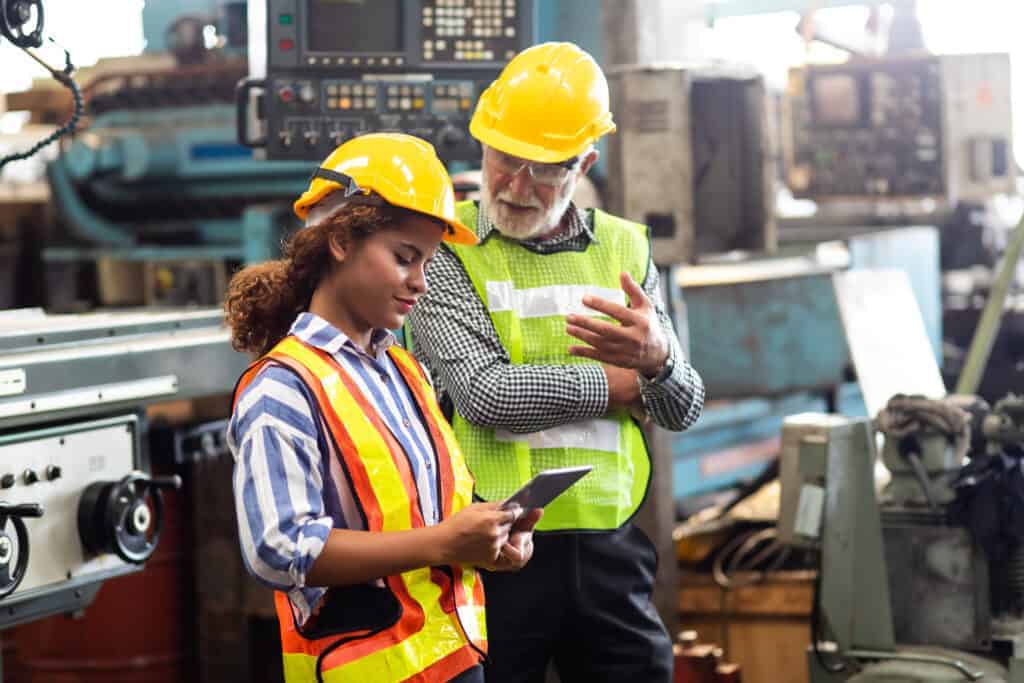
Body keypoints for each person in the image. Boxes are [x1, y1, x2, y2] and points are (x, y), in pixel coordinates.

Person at [407, 43, 706, 682]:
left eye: (542, 168)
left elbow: (685, 407)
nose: (515, 185)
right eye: (503, 159)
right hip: (492, 546)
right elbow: (487, 395)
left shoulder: (625, 249)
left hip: (611, 550)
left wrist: (659, 364)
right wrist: (621, 382)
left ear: (584, 163)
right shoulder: (447, 249)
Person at [225, 133, 542, 683]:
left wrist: (484, 542)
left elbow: (420, 515)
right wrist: (445, 541)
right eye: (404, 258)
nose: (419, 282)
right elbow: (277, 550)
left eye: (427, 262)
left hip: (452, 658)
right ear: (341, 241)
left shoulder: (403, 370)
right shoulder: (282, 387)